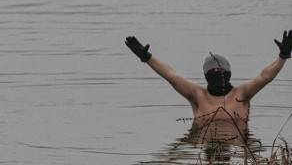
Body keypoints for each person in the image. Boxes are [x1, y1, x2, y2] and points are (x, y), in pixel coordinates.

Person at [124, 31, 291, 134]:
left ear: (229, 74)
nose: (218, 75)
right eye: (213, 73)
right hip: (201, 146)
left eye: (222, 73)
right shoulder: (197, 95)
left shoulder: (242, 93)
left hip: (237, 148)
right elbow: (171, 75)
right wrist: (147, 58)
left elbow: (264, 77)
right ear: (206, 76)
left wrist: (282, 57)